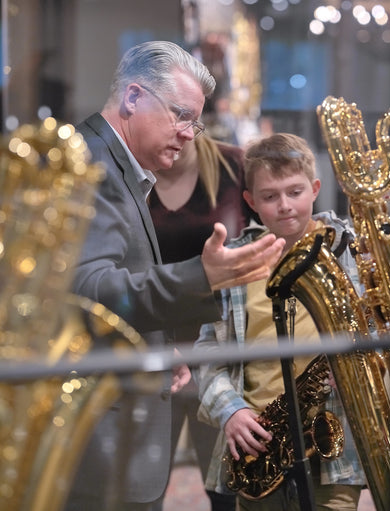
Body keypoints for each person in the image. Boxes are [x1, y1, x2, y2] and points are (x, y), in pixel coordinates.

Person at [66, 41, 284, 511]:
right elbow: (88, 291)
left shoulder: (117, 163)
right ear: (133, 98)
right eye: (180, 116)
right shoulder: (97, 166)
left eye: (196, 122)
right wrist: (200, 277)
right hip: (99, 438)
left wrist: (160, 347)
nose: (189, 134)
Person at [193, 133, 367, 511]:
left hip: (332, 446)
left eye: (295, 192)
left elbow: (379, 326)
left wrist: (358, 363)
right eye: (270, 197)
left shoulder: (348, 251)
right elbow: (207, 352)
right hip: (257, 445)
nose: (285, 206)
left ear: (315, 189)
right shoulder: (235, 260)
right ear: (251, 201)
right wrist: (231, 411)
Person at [148, 134, 253, 511]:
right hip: (152, 348)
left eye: (187, 114)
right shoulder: (132, 171)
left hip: (222, 349)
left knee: (226, 488)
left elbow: (275, 240)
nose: (178, 126)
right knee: (144, 486)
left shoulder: (233, 165)